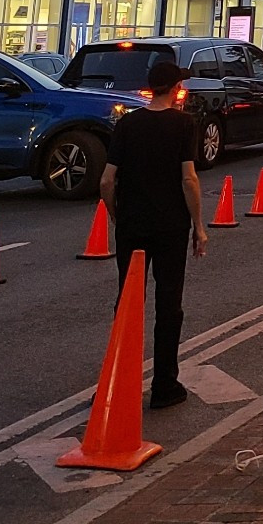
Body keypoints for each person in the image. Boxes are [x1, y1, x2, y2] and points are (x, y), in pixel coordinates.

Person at [101, 56, 208, 409]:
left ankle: (118, 381)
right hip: (170, 226)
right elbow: (189, 179)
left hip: (132, 225)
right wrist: (199, 226)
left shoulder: (127, 124)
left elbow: (106, 180)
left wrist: (117, 214)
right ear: (176, 89)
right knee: (168, 305)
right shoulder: (184, 124)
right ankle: (165, 385)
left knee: (128, 303)